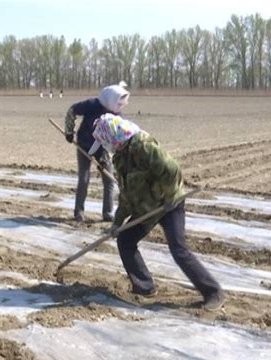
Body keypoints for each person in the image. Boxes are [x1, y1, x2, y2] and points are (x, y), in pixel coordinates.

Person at [88, 114, 225, 311]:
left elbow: (171, 170)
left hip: (168, 205)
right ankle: (145, 287)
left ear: (112, 136)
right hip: (147, 208)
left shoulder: (142, 145)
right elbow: (126, 194)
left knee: (179, 249)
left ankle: (213, 292)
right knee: (125, 240)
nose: (105, 147)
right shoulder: (120, 157)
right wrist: (117, 222)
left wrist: (169, 198)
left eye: (104, 142)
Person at [64, 83, 130, 222]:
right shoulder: (91, 105)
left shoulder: (117, 114)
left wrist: (106, 157)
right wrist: (69, 131)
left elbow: (117, 138)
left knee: (109, 180)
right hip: (85, 145)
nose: (121, 105)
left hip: (103, 149)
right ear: (111, 98)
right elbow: (72, 110)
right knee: (84, 179)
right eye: (119, 102)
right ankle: (79, 212)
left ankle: (108, 213)